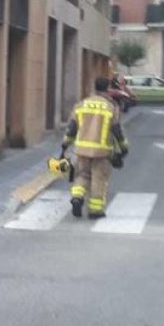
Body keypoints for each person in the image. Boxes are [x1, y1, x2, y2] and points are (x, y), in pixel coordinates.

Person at [64, 77, 129, 219]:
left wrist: (66, 144)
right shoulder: (110, 107)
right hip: (102, 151)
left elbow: (72, 128)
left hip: (82, 149)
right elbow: (116, 130)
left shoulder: (81, 105)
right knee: (98, 179)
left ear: (94, 87)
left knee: (82, 175)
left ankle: (77, 197)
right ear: (108, 89)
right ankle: (95, 210)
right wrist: (124, 147)